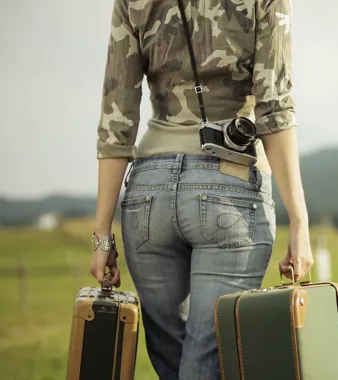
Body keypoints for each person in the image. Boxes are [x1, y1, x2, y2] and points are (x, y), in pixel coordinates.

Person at [88, 0, 313, 379]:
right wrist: (300, 221)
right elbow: (273, 110)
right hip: (230, 188)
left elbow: (117, 117)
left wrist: (101, 237)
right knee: (210, 362)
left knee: (174, 365)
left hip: (148, 196)